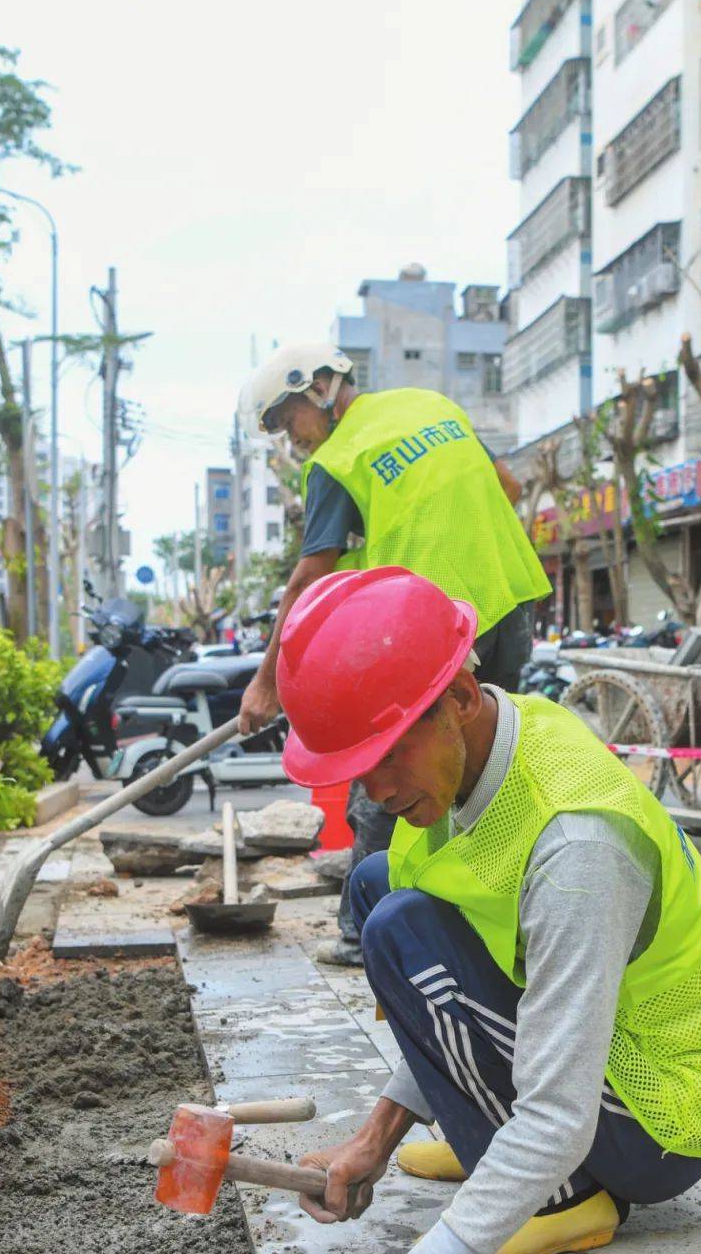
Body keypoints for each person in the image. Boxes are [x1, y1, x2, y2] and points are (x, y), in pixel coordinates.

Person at [242, 567, 701, 1254]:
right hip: (591, 1056)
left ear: (457, 694)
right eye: (355, 768)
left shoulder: (577, 845)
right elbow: (462, 952)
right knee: (381, 887)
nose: (371, 791)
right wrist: (370, 1143)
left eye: (384, 756)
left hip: (662, 1113)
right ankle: (487, 1127)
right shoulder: (473, 763)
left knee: (395, 927)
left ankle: (568, 1197)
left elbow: (558, 1114)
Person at [236, 343, 551, 966]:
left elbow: (306, 577)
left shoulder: (339, 458)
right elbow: (508, 486)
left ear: (320, 387)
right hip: (509, 597)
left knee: (388, 764)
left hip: (430, 630)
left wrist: (266, 682)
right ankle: (500, 914)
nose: (289, 440)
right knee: (492, 760)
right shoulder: (432, 404)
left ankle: (361, 935)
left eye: (286, 420)